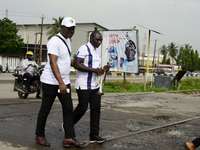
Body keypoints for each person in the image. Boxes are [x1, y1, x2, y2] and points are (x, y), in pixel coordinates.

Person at [35, 17, 84, 148]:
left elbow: (64, 60)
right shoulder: (54, 41)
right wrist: (60, 83)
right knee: (45, 109)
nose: (71, 31)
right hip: (51, 82)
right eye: (68, 28)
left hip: (64, 81)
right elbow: (53, 62)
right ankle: (39, 136)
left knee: (68, 109)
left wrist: (75, 64)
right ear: (62, 27)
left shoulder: (67, 41)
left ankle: (68, 138)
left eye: (73, 29)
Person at [73, 30, 109, 144]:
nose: (99, 42)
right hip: (84, 84)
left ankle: (94, 135)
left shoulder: (96, 51)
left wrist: (103, 69)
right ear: (91, 38)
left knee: (96, 109)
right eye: (97, 39)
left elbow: (95, 67)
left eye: (101, 40)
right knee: (82, 108)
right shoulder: (84, 48)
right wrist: (94, 70)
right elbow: (77, 64)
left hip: (95, 85)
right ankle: (68, 124)